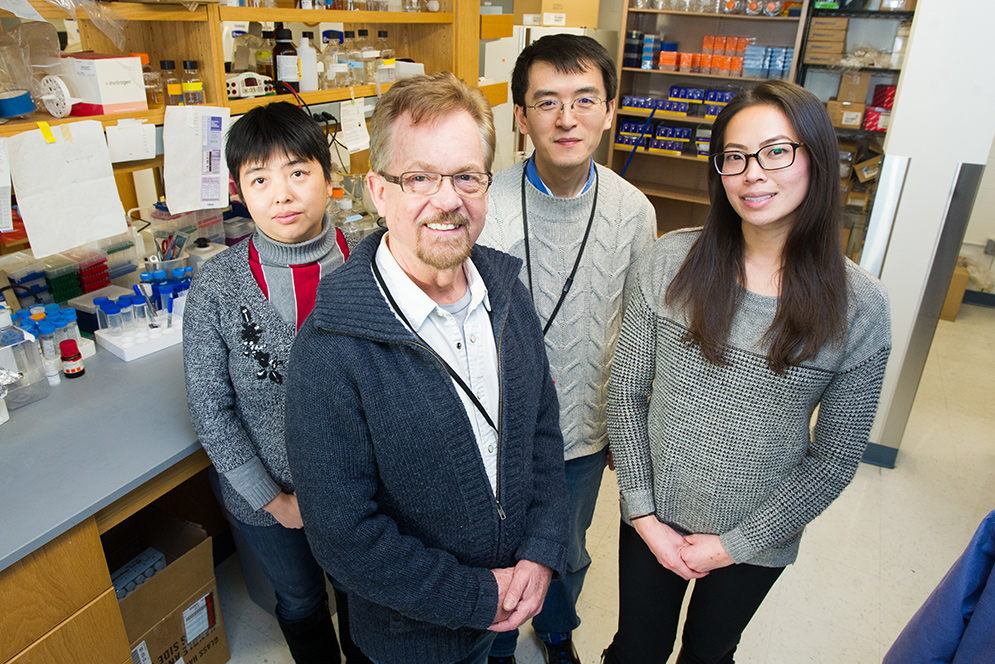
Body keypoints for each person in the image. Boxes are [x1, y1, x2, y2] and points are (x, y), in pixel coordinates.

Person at [602, 80, 892, 664]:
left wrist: (733, 545)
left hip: (758, 535)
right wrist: (643, 514)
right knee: (636, 649)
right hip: (651, 516)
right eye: (734, 157)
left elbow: (834, 458)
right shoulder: (668, 260)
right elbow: (627, 395)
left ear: (815, 157)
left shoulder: (860, 305)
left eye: (776, 151)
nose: (752, 173)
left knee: (710, 654)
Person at [284, 72, 570, 664]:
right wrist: (476, 596)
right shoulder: (331, 345)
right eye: (419, 178)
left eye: (467, 176)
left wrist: (541, 553)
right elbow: (343, 535)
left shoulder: (508, 297)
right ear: (378, 191)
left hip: (509, 610)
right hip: (409, 642)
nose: (449, 200)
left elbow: (541, 436)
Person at [477, 33, 655, 664]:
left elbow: (639, 331)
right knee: (492, 547)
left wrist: (625, 432)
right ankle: (494, 644)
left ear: (609, 110)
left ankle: (555, 633)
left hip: (583, 430)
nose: (567, 117)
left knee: (566, 548)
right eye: (546, 102)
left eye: (585, 99)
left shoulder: (633, 211)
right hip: (491, 425)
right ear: (520, 118)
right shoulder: (484, 201)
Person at [183, 101, 366, 664]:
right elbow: (211, 411)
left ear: (328, 177)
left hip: (366, 489)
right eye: (259, 179)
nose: (281, 195)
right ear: (240, 190)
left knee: (366, 597)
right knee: (300, 598)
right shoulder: (217, 284)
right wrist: (275, 501)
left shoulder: (373, 263)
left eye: (297, 171)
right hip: (264, 497)